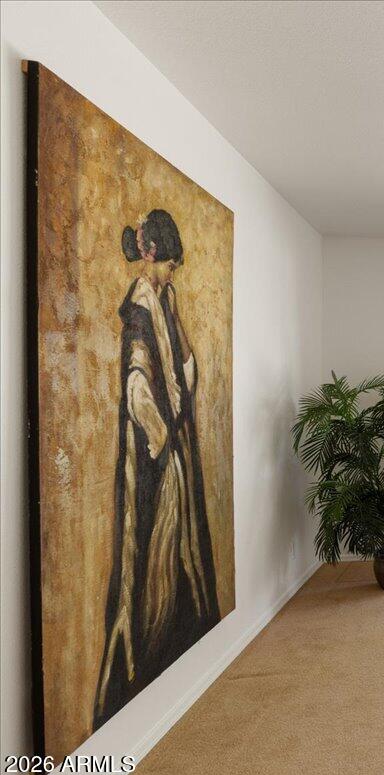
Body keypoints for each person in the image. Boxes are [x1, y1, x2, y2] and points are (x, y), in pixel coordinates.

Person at [94, 209, 220, 728]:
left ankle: (185, 644)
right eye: (168, 265)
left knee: (182, 556)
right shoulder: (139, 310)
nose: (172, 274)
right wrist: (163, 441)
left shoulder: (164, 301)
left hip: (171, 453)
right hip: (155, 461)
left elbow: (184, 369)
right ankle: (145, 666)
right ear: (150, 257)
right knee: (153, 560)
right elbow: (137, 388)